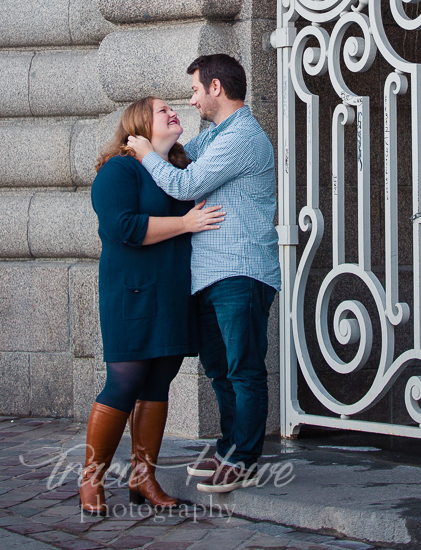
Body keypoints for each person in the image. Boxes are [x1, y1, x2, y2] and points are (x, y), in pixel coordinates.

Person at [127, 54, 280, 494]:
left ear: (216, 87)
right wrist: (151, 144)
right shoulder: (213, 136)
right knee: (218, 368)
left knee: (243, 368)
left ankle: (245, 459)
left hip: (241, 270)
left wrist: (142, 152)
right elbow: (176, 163)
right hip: (210, 274)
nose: (191, 100)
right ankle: (230, 446)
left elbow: (185, 185)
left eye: (195, 89)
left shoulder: (244, 137)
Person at [81, 96, 225, 515]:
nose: (173, 112)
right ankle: (91, 479)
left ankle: (143, 477)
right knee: (124, 383)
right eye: (163, 110)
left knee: (158, 384)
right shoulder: (120, 169)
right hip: (132, 295)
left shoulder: (177, 172)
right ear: (140, 123)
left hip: (172, 294)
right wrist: (184, 223)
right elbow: (122, 226)